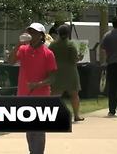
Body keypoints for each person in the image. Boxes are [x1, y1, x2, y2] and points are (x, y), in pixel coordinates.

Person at [8, 22, 57, 154]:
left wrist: (38, 84)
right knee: (30, 130)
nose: (31, 35)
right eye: (29, 32)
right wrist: (18, 44)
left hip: (41, 96)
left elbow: (52, 78)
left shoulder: (48, 53)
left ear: (41, 35)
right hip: (24, 94)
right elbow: (11, 61)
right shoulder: (23, 50)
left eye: (34, 32)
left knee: (38, 131)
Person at [48, 25, 83, 122]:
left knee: (55, 96)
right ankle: (76, 115)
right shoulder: (71, 45)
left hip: (57, 72)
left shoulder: (53, 45)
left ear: (58, 33)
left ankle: (53, 116)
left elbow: (49, 57)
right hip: (71, 72)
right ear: (68, 34)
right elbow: (74, 60)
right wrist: (80, 58)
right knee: (74, 95)